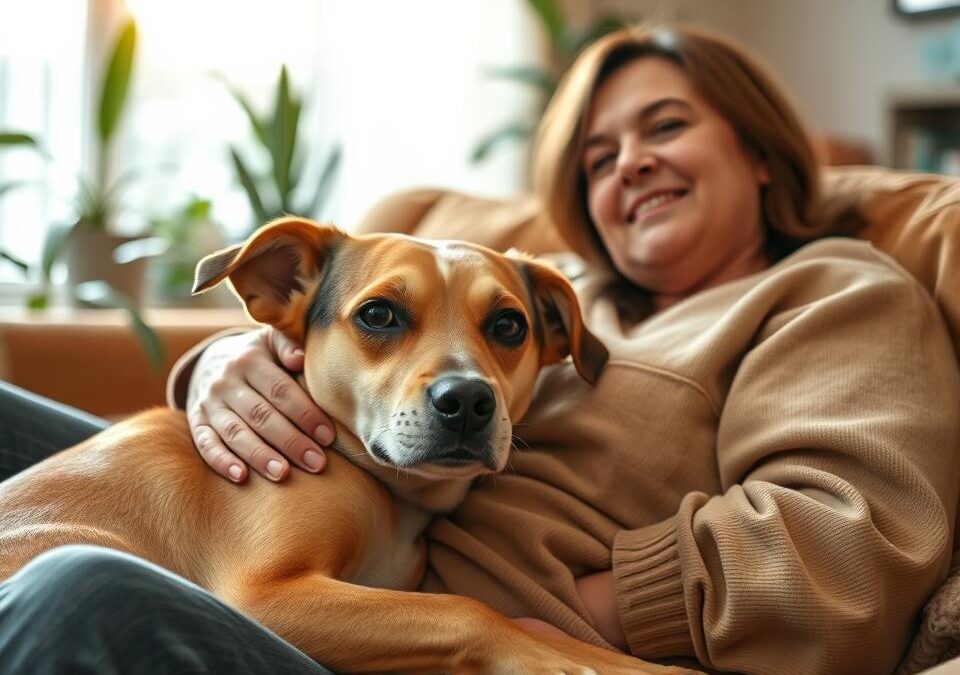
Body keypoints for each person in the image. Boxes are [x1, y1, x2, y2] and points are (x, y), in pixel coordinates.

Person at [1, 22, 958, 675]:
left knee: (81, 590)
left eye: (665, 126)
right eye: (598, 155)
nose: (631, 162)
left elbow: (850, 548)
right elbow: (343, 326)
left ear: (758, 150)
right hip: (317, 537)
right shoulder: (552, 289)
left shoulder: (835, 290)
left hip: (396, 625)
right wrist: (221, 365)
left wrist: (577, 616)